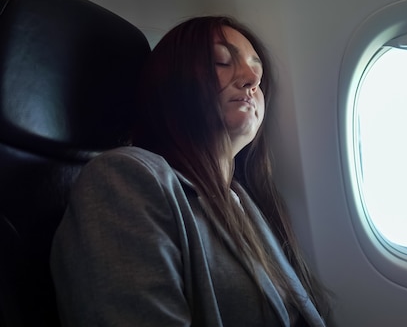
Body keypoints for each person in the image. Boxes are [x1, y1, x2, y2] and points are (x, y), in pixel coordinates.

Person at [50, 16, 329, 327]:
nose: (252, 79)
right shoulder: (123, 179)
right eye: (222, 61)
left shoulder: (247, 203)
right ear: (173, 83)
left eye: (259, 75)